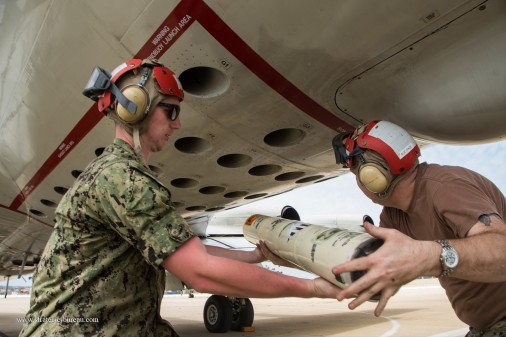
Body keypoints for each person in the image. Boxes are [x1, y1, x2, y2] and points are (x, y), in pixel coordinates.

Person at [19, 58, 342, 337]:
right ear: (135, 108)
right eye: (170, 111)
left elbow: (185, 247)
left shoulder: (115, 172)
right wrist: (311, 288)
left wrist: (255, 257)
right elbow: (199, 272)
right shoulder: (123, 180)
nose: (178, 123)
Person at [330, 120, 506, 336]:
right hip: (484, 327)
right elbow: (369, 264)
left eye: (357, 171)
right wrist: (290, 254)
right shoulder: (393, 215)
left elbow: (502, 250)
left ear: (372, 173)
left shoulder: (445, 187)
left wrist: (430, 255)